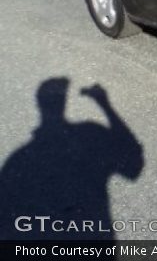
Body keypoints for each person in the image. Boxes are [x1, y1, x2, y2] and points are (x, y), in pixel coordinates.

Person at [0, 78, 143, 240]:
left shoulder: (18, 160)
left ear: (40, 106)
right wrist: (105, 105)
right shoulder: (90, 134)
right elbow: (133, 166)